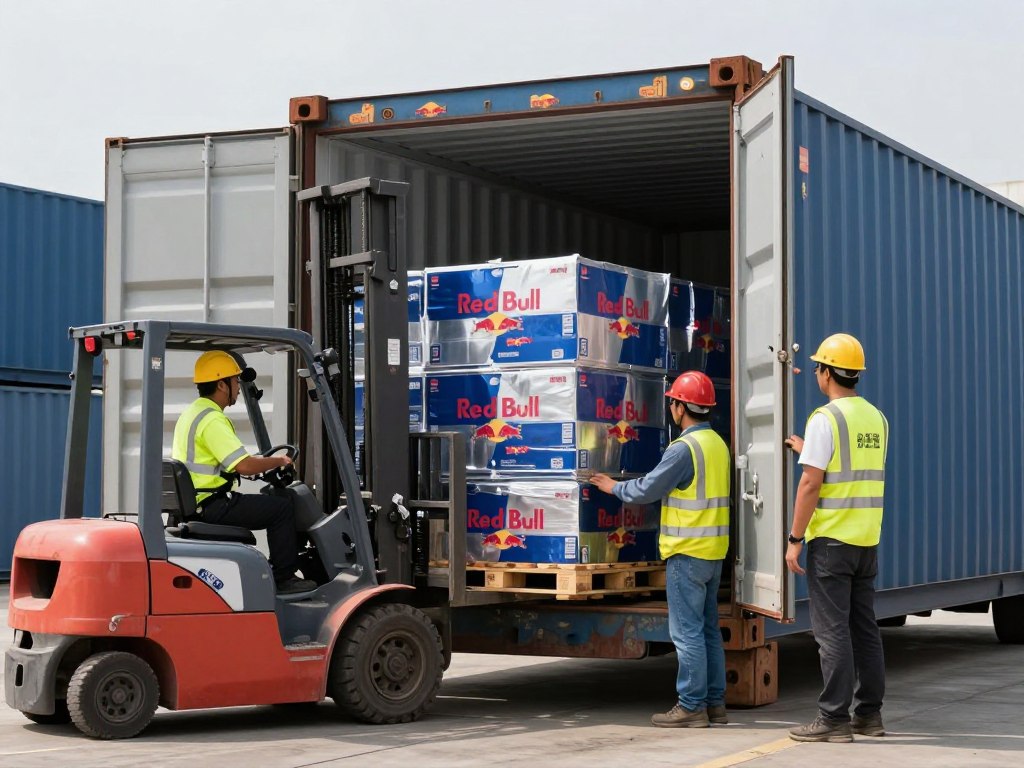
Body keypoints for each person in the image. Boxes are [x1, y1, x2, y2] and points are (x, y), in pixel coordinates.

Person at [592, 370, 729, 728]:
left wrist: (613, 488)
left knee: (686, 633)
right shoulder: (717, 444)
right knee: (708, 630)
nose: (670, 407)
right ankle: (715, 703)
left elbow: (648, 489)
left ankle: (691, 706)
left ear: (682, 407)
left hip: (687, 552)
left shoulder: (684, 449)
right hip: (714, 552)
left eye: (673, 402)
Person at [784, 333, 888, 742]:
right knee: (865, 630)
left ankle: (832, 720)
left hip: (830, 542)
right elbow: (852, 467)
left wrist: (795, 538)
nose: (814, 373)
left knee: (832, 633)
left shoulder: (825, 419)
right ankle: (869, 716)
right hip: (865, 540)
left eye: (816, 367)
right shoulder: (877, 418)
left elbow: (812, 483)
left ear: (827, 372)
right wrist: (807, 449)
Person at [172, 350, 316, 594]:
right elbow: (244, 465)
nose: (238, 386)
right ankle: (283, 578)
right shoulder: (212, 419)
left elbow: (230, 463)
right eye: (235, 381)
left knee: (274, 502)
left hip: (199, 501)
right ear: (221, 384)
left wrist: (262, 465)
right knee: (281, 508)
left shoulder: (193, 413)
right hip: (212, 505)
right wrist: (278, 460)